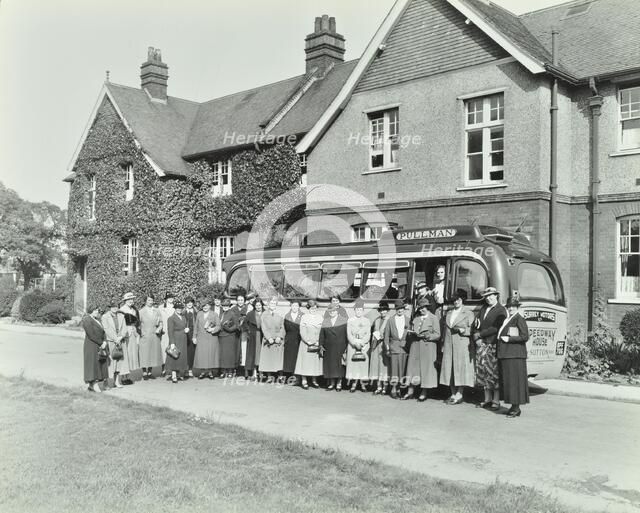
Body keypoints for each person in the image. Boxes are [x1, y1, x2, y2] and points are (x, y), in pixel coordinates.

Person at [472, 287, 507, 411]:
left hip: (493, 344)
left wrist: (481, 335)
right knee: (482, 371)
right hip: (481, 345)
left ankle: (496, 400)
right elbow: (476, 323)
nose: (488, 298)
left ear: (496, 295)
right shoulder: (483, 309)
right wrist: (477, 337)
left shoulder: (501, 310)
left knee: (493, 373)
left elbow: (496, 327)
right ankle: (487, 399)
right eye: (486, 296)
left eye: (491, 295)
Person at [440, 292, 476, 405]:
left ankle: (460, 393)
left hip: (462, 344)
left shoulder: (468, 313)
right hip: (449, 344)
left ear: (462, 300)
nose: (456, 302)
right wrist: (443, 344)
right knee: (449, 368)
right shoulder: (449, 312)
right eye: (454, 300)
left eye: (458, 299)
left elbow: (473, 330)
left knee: (460, 368)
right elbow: (445, 330)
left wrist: (463, 330)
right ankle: (453, 393)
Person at [497, 297, 530, 418]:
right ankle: (513, 406)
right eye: (509, 306)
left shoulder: (519, 319)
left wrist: (509, 339)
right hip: (508, 355)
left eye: (513, 306)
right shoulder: (508, 319)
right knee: (510, 382)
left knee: (514, 382)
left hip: (515, 355)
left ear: (517, 307)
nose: (511, 308)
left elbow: (525, 336)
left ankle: (516, 408)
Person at [404, 298, 441, 401]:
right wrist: (411, 333)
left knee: (425, 369)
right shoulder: (416, 319)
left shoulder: (433, 318)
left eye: (423, 308)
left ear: (428, 307)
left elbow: (437, 334)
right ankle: (410, 391)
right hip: (415, 346)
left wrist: (428, 336)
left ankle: (424, 392)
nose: (421, 310)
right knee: (412, 368)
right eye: (420, 308)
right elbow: (411, 331)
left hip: (427, 347)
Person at [383, 300, 410, 398]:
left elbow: (410, 334)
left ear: (404, 309)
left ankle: (399, 388)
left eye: (401, 308)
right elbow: (386, 336)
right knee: (394, 369)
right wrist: (387, 348)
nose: (400, 310)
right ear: (395, 309)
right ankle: (393, 389)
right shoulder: (390, 320)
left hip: (404, 348)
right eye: (398, 309)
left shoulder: (408, 320)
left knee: (402, 369)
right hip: (393, 347)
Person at [319, 304, 348, 391]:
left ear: (337, 311)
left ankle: (339, 383)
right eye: (330, 311)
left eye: (334, 311)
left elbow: (347, 335)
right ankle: (332, 383)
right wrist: (321, 345)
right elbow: (322, 334)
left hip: (340, 346)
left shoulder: (344, 320)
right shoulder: (325, 321)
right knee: (330, 365)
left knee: (339, 366)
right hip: (329, 346)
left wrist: (346, 347)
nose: (332, 312)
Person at [295, 299, 323, 389]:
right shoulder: (304, 317)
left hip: (316, 342)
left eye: (315, 308)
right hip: (306, 343)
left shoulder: (320, 317)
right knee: (305, 362)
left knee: (314, 362)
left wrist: (319, 341)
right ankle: (304, 380)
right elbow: (302, 331)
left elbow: (322, 331)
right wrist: (308, 341)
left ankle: (314, 380)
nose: (313, 310)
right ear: (308, 308)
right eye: (311, 308)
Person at [346, 299, 371, 392]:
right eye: (357, 310)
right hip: (353, 345)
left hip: (363, 345)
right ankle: (354, 383)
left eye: (360, 310)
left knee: (362, 365)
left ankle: (362, 384)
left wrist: (362, 343)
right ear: (354, 310)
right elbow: (348, 334)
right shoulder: (350, 320)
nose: (358, 312)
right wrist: (354, 343)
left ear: (363, 311)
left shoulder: (367, 321)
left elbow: (368, 334)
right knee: (354, 365)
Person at [82, 305, 108, 392]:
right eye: (94, 310)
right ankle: (93, 384)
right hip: (91, 345)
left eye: (97, 310)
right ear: (90, 311)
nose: (97, 312)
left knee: (98, 364)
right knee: (92, 365)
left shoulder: (97, 320)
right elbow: (91, 334)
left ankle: (91, 385)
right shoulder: (86, 319)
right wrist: (101, 343)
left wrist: (104, 341)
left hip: (99, 345)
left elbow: (103, 332)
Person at [193, 298, 221, 379]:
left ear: (210, 306)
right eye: (203, 305)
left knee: (210, 355)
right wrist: (194, 337)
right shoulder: (199, 313)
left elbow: (219, 326)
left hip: (211, 337)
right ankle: (202, 372)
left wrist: (213, 329)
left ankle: (210, 372)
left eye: (207, 305)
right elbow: (196, 326)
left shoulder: (214, 314)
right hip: (201, 337)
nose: (205, 307)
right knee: (202, 355)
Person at [260, 297, 286, 381]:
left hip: (278, 340)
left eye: (274, 303)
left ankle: (280, 376)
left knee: (278, 358)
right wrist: (269, 337)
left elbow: (283, 327)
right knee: (268, 358)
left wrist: (279, 336)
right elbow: (263, 327)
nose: (273, 305)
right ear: (268, 304)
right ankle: (269, 376)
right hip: (269, 340)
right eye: (271, 303)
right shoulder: (264, 314)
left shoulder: (280, 314)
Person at [101, 302, 127, 388]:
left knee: (119, 361)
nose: (115, 308)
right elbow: (106, 329)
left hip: (120, 341)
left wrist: (121, 337)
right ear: (109, 307)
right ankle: (106, 382)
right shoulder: (105, 317)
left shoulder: (121, 316)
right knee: (110, 362)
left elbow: (124, 328)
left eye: (116, 306)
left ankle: (116, 381)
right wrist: (115, 338)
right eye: (112, 306)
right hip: (111, 341)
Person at [139, 295, 163, 380]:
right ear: (145, 301)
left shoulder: (156, 311)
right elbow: (138, 324)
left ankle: (150, 372)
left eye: (152, 300)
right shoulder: (141, 312)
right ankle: (144, 372)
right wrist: (142, 333)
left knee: (152, 354)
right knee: (144, 354)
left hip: (154, 335)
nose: (150, 302)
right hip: (145, 335)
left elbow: (160, 322)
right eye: (149, 300)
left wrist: (159, 329)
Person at [368, 302, 390, 395]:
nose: (382, 312)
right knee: (377, 366)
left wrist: (383, 337)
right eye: (381, 310)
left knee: (384, 367)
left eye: (384, 310)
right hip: (376, 345)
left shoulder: (389, 320)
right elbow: (373, 331)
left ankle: (385, 387)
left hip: (384, 345)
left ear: (387, 311)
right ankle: (378, 386)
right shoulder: (377, 320)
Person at [119, 292, 140, 384]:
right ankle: (123, 377)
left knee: (130, 354)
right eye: (129, 299)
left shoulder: (134, 310)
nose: (131, 301)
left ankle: (127, 376)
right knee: (125, 354)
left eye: (132, 299)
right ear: (125, 300)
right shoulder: (122, 310)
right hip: (125, 333)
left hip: (132, 333)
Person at [166, 302, 189, 383]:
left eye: (180, 308)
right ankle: (173, 375)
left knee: (181, 356)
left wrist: (186, 330)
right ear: (175, 309)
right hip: (175, 339)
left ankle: (179, 373)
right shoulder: (171, 318)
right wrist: (172, 342)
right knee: (174, 356)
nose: (179, 309)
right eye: (177, 308)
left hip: (183, 339)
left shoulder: (183, 317)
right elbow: (170, 331)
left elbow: (185, 326)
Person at [283, 300, 304, 381]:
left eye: (296, 306)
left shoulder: (302, 315)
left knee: (297, 358)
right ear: (291, 306)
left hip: (298, 338)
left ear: (299, 307)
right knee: (289, 358)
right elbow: (284, 328)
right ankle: (289, 376)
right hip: (289, 338)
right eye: (293, 306)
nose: (295, 307)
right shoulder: (287, 316)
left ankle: (297, 377)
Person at [218, 298, 240, 378]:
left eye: (227, 306)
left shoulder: (232, 313)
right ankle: (223, 371)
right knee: (222, 355)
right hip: (221, 336)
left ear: (229, 306)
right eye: (224, 305)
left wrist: (229, 329)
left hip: (230, 336)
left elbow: (236, 325)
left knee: (229, 355)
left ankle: (230, 371)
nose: (225, 307)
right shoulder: (221, 314)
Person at [244, 298, 264, 380]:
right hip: (253, 336)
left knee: (262, 354)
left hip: (263, 336)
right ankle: (254, 372)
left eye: (259, 305)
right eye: (256, 305)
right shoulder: (250, 314)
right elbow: (245, 324)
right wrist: (249, 331)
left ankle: (262, 372)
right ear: (254, 306)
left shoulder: (266, 313)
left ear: (262, 305)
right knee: (253, 355)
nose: (258, 307)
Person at [158, 292, 175, 377]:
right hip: (164, 332)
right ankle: (163, 369)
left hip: (174, 331)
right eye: (168, 297)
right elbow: (158, 319)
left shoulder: (176, 307)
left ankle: (173, 369)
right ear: (165, 299)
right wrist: (159, 328)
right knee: (164, 350)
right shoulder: (160, 308)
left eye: (172, 297)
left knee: (173, 349)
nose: (170, 299)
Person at [231, 294, 250, 369]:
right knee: (235, 349)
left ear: (244, 301)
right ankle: (234, 366)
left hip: (244, 332)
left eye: (242, 300)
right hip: (235, 332)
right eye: (238, 300)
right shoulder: (233, 309)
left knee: (244, 348)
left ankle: (243, 366)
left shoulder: (247, 309)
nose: (240, 302)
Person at [183, 297, 198, 378]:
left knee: (191, 353)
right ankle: (185, 369)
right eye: (188, 302)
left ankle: (190, 370)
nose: (189, 304)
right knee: (185, 352)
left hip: (193, 334)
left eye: (191, 302)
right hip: (185, 334)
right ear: (185, 303)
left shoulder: (196, 312)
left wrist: (196, 335)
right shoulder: (183, 312)